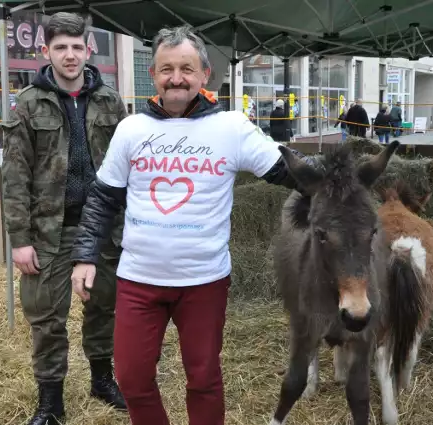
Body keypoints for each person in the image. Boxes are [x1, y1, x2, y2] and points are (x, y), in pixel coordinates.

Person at [69, 25, 314, 425]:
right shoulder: (132, 129)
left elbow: (290, 171)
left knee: (203, 377)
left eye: (186, 68)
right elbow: (103, 197)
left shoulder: (231, 129)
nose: (176, 78)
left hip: (203, 281)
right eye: (167, 69)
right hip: (138, 280)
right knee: (132, 378)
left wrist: (344, 181)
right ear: (154, 75)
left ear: (204, 74)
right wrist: (85, 256)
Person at [1, 12, 128, 425]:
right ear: (46, 51)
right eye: (60, 47)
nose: (70, 55)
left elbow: (128, 169)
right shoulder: (28, 104)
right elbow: (15, 176)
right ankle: (50, 400)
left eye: (77, 47)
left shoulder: (111, 100)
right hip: (46, 231)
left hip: (103, 226)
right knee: (46, 316)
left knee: (103, 306)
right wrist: (19, 239)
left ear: (88, 50)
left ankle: (101, 378)